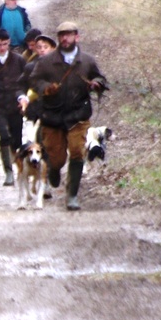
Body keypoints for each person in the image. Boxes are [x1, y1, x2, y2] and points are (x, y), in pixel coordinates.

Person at [29, 22, 107, 211]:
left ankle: (72, 195)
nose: (65, 38)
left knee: (78, 152)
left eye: (69, 35)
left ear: (76, 37)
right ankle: (54, 170)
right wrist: (45, 88)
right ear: (58, 38)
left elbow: (100, 78)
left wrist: (96, 84)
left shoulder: (86, 61)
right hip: (53, 116)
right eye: (62, 35)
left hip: (78, 115)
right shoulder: (46, 62)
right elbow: (34, 80)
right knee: (56, 159)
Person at [0, 29, 27, 186]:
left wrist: (23, 96)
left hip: (15, 105)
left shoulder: (18, 60)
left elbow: (25, 80)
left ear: (9, 43)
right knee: (3, 136)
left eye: (4, 44)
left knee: (16, 140)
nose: (2, 48)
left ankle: (19, 168)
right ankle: (8, 172)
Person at [18, 34, 57, 125]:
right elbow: (21, 85)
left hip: (55, 111)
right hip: (35, 112)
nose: (42, 50)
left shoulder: (61, 67)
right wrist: (22, 97)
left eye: (45, 47)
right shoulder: (30, 67)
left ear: (53, 48)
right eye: (39, 47)